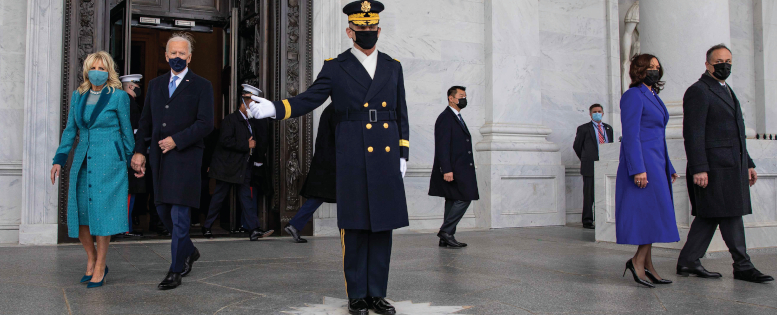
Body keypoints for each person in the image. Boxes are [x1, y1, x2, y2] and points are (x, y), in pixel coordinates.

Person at [249, 1, 409, 313]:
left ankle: (377, 293)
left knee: (382, 227)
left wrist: (403, 153)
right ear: (350, 31)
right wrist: (274, 109)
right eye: (360, 28)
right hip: (351, 154)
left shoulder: (393, 66)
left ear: (379, 28)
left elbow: (401, 112)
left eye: (371, 27)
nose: (367, 32)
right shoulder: (335, 67)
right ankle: (357, 295)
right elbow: (310, 99)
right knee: (356, 225)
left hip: (385, 155)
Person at [677, 44, 773, 283]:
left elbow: (737, 133)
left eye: (728, 61)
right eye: (719, 61)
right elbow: (693, 132)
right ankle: (742, 265)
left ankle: (689, 261)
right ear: (708, 64)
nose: (725, 65)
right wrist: (699, 167)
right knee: (730, 214)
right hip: (713, 167)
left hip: (732, 165)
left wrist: (748, 163)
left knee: (711, 215)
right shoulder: (698, 91)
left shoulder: (726, 89)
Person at [131, 32, 215, 290]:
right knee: (161, 210)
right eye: (173, 53)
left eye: (182, 53)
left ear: (189, 56)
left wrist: (177, 140)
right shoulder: (156, 85)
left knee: (179, 215)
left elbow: (206, 123)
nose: (177, 57)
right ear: (166, 55)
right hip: (159, 158)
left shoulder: (202, 85)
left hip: (186, 157)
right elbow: (146, 122)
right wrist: (139, 152)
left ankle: (175, 269)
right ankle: (189, 250)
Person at [50, 51, 134, 288]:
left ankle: (100, 265)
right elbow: (70, 130)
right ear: (87, 70)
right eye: (94, 67)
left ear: (109, 72)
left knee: (103, 213)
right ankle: (92, 257)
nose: (98, 72)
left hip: (110, 162)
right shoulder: (78, 95)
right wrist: (59, 159)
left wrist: (130, 160)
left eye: (103, 68)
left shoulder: (118, 97)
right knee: (81, 212)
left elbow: (127, 131)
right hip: (83, 159)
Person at [616, 54, 680, 288]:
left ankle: (647, 265)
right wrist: (637, 169)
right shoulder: (633, 95)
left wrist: (668, 166)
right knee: (648, 215)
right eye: (650, 67)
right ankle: (637, 262)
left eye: (657, 67)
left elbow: (658, 137)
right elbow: (631, 135)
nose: (655, 70)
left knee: (654, 215)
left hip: (657, 163)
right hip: (642, 165)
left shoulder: (653, 95)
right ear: (639, 70)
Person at [202, 84, 274, 241]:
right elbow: (225, 141)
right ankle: (207, 226)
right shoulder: (230, 119)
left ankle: (254, 229)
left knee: (245, 197)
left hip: (242, 167)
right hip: (228, 167)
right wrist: (246, 144)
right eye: (251, 103)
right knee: (219, 197)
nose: (253, 107)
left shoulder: (249, 122)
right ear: (243, 101)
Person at [428, 86, 479, 248]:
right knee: (465, 196)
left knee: (452, 199)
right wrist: (447, 169)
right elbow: (442, 146)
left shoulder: (456, 117)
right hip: (454, 169)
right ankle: (446, 231)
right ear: (451, 98)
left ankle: (446, 237)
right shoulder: (445, 117)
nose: (464, 99)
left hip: (460, 168)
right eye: (461, 96)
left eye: (465, 96)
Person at [284, 105, 338, 243]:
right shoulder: (337, 110)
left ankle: (295, 225)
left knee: (318, 196)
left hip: (327, 160)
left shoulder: (331, 109)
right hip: (332, 161)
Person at [573, 104, 614, 229]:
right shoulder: (584, 128)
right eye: (594, 112)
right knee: (589, 194)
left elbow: (610, 145)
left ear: (603, 113)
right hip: (590, 165)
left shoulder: (608, 128)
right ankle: (587, 220)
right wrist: (586, 158)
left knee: (606, 193)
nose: (597, 113)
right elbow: (577, 146)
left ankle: (604, 218)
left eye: (599, 111)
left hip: (605, 165)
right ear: (590, 114)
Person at [120, 74, 146, 236]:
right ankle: (125, 228)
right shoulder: (128, 103)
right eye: (137, 85)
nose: (139, 88)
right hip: (129, 152)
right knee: (128, 191)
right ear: (131, 86)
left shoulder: (129, 103)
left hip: (128, 151)